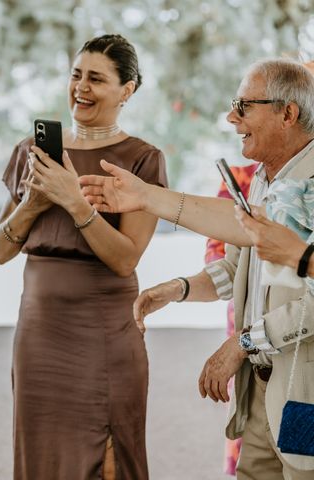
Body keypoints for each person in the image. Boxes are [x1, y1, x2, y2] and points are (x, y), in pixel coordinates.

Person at [80, 58, 314, 479]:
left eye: (244, 106)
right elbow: (239, 266)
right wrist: (179, 289)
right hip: (260, 388)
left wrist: (242, 342)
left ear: (287, 113)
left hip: (304, 388)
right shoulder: (265, 176)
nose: (231, 117)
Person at [0, 34, 167, 480]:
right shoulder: (31, 154)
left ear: (127, 90)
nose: (81, 88)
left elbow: (127, 260)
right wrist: (33, 201)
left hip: (105, 336)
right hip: (39, 336)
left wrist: (75, 201)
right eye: (75, 75)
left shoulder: (143, 160)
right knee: (41, 457)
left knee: (106, 459)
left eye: (96, 78)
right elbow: (0, 250)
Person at [204, 164, 256, 476]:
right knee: (245, 418)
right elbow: (217, 254)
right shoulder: (240, 177)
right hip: (244, 314)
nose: (235, 121)